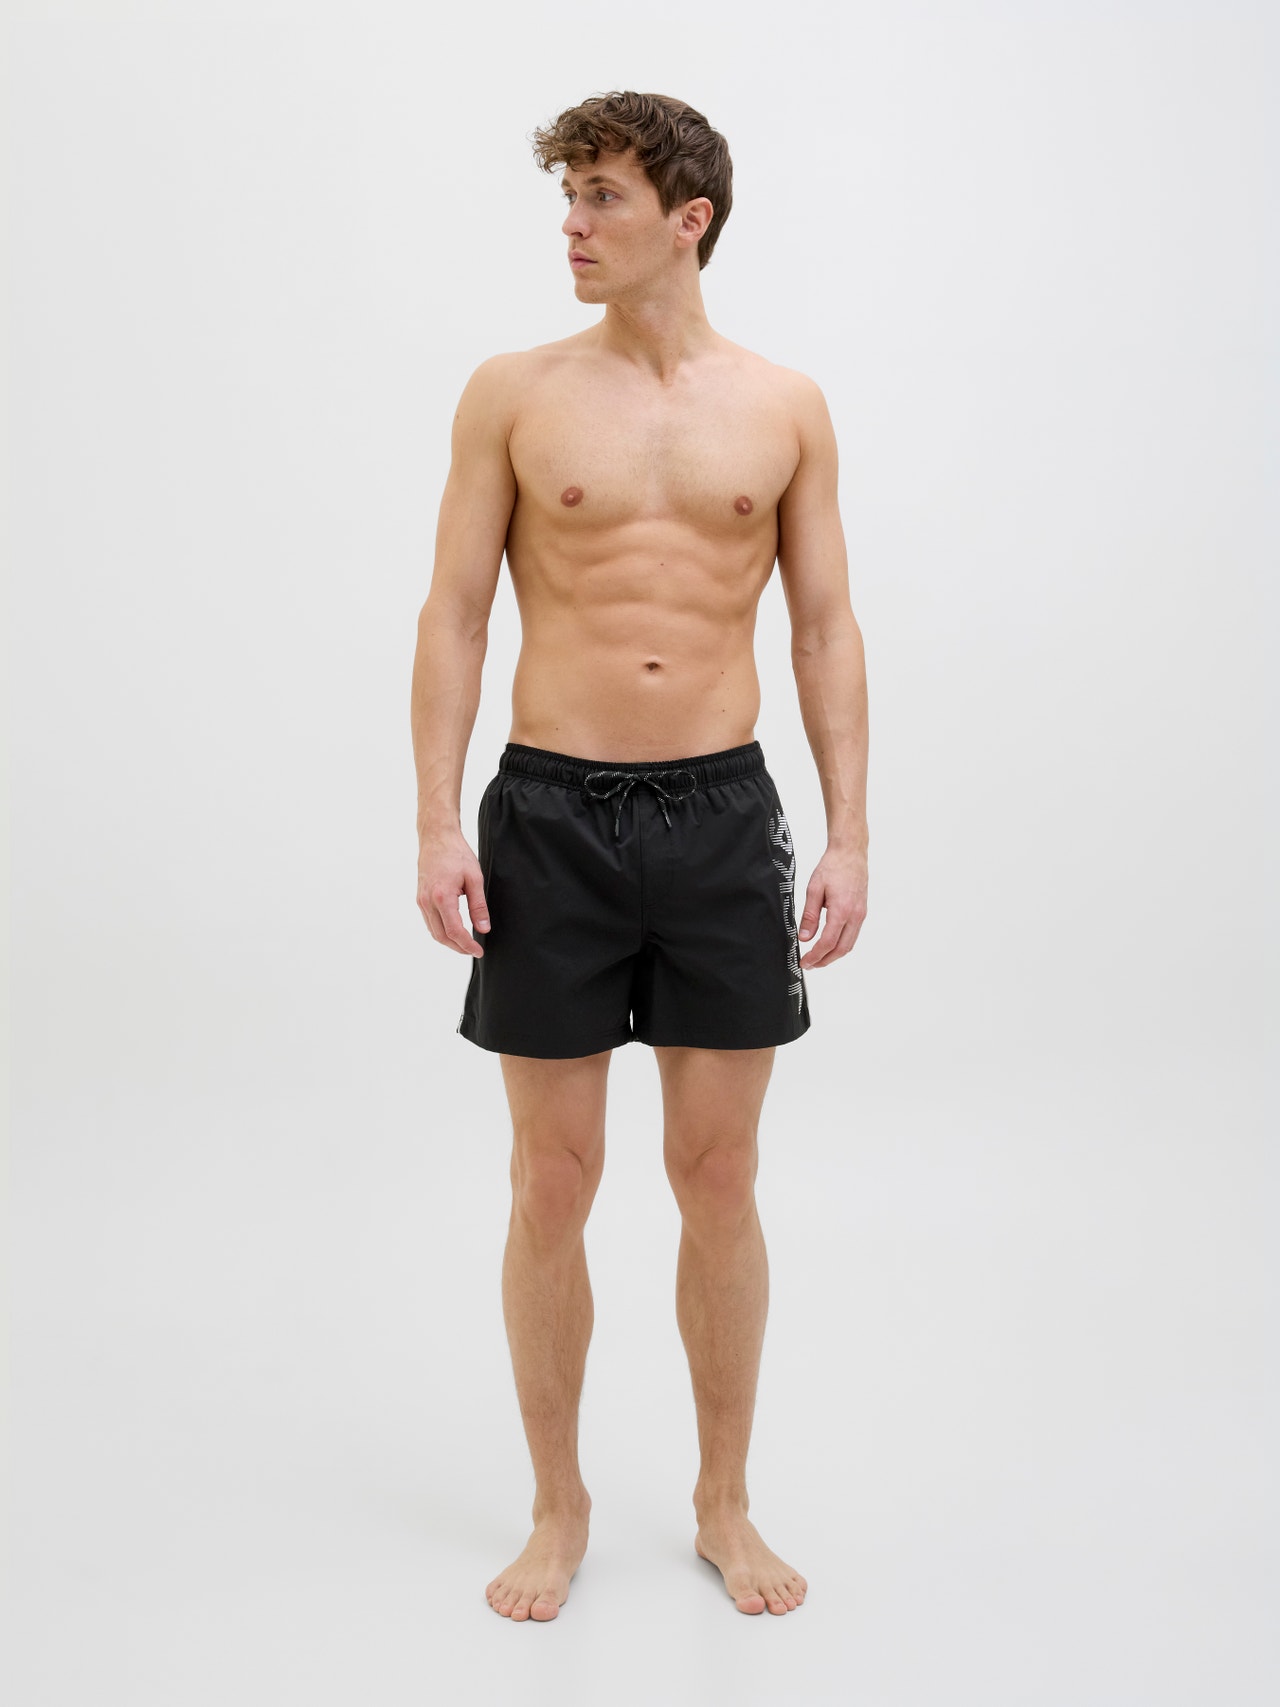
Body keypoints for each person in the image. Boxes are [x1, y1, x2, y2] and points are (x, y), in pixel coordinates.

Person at [410, 90, 869, 1622]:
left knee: (718, 1173)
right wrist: (437, 819)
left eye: (602, 196)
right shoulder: (513, 395)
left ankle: (724, 1501)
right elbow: (454, 615)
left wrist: (850, 832)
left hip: (723, 819)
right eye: (569, 195)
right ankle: (559, 1507)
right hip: (549, 816)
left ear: (691, 219)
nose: (573, 225)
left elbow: (823, 628)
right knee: (552, 1180)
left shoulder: (786, 406)